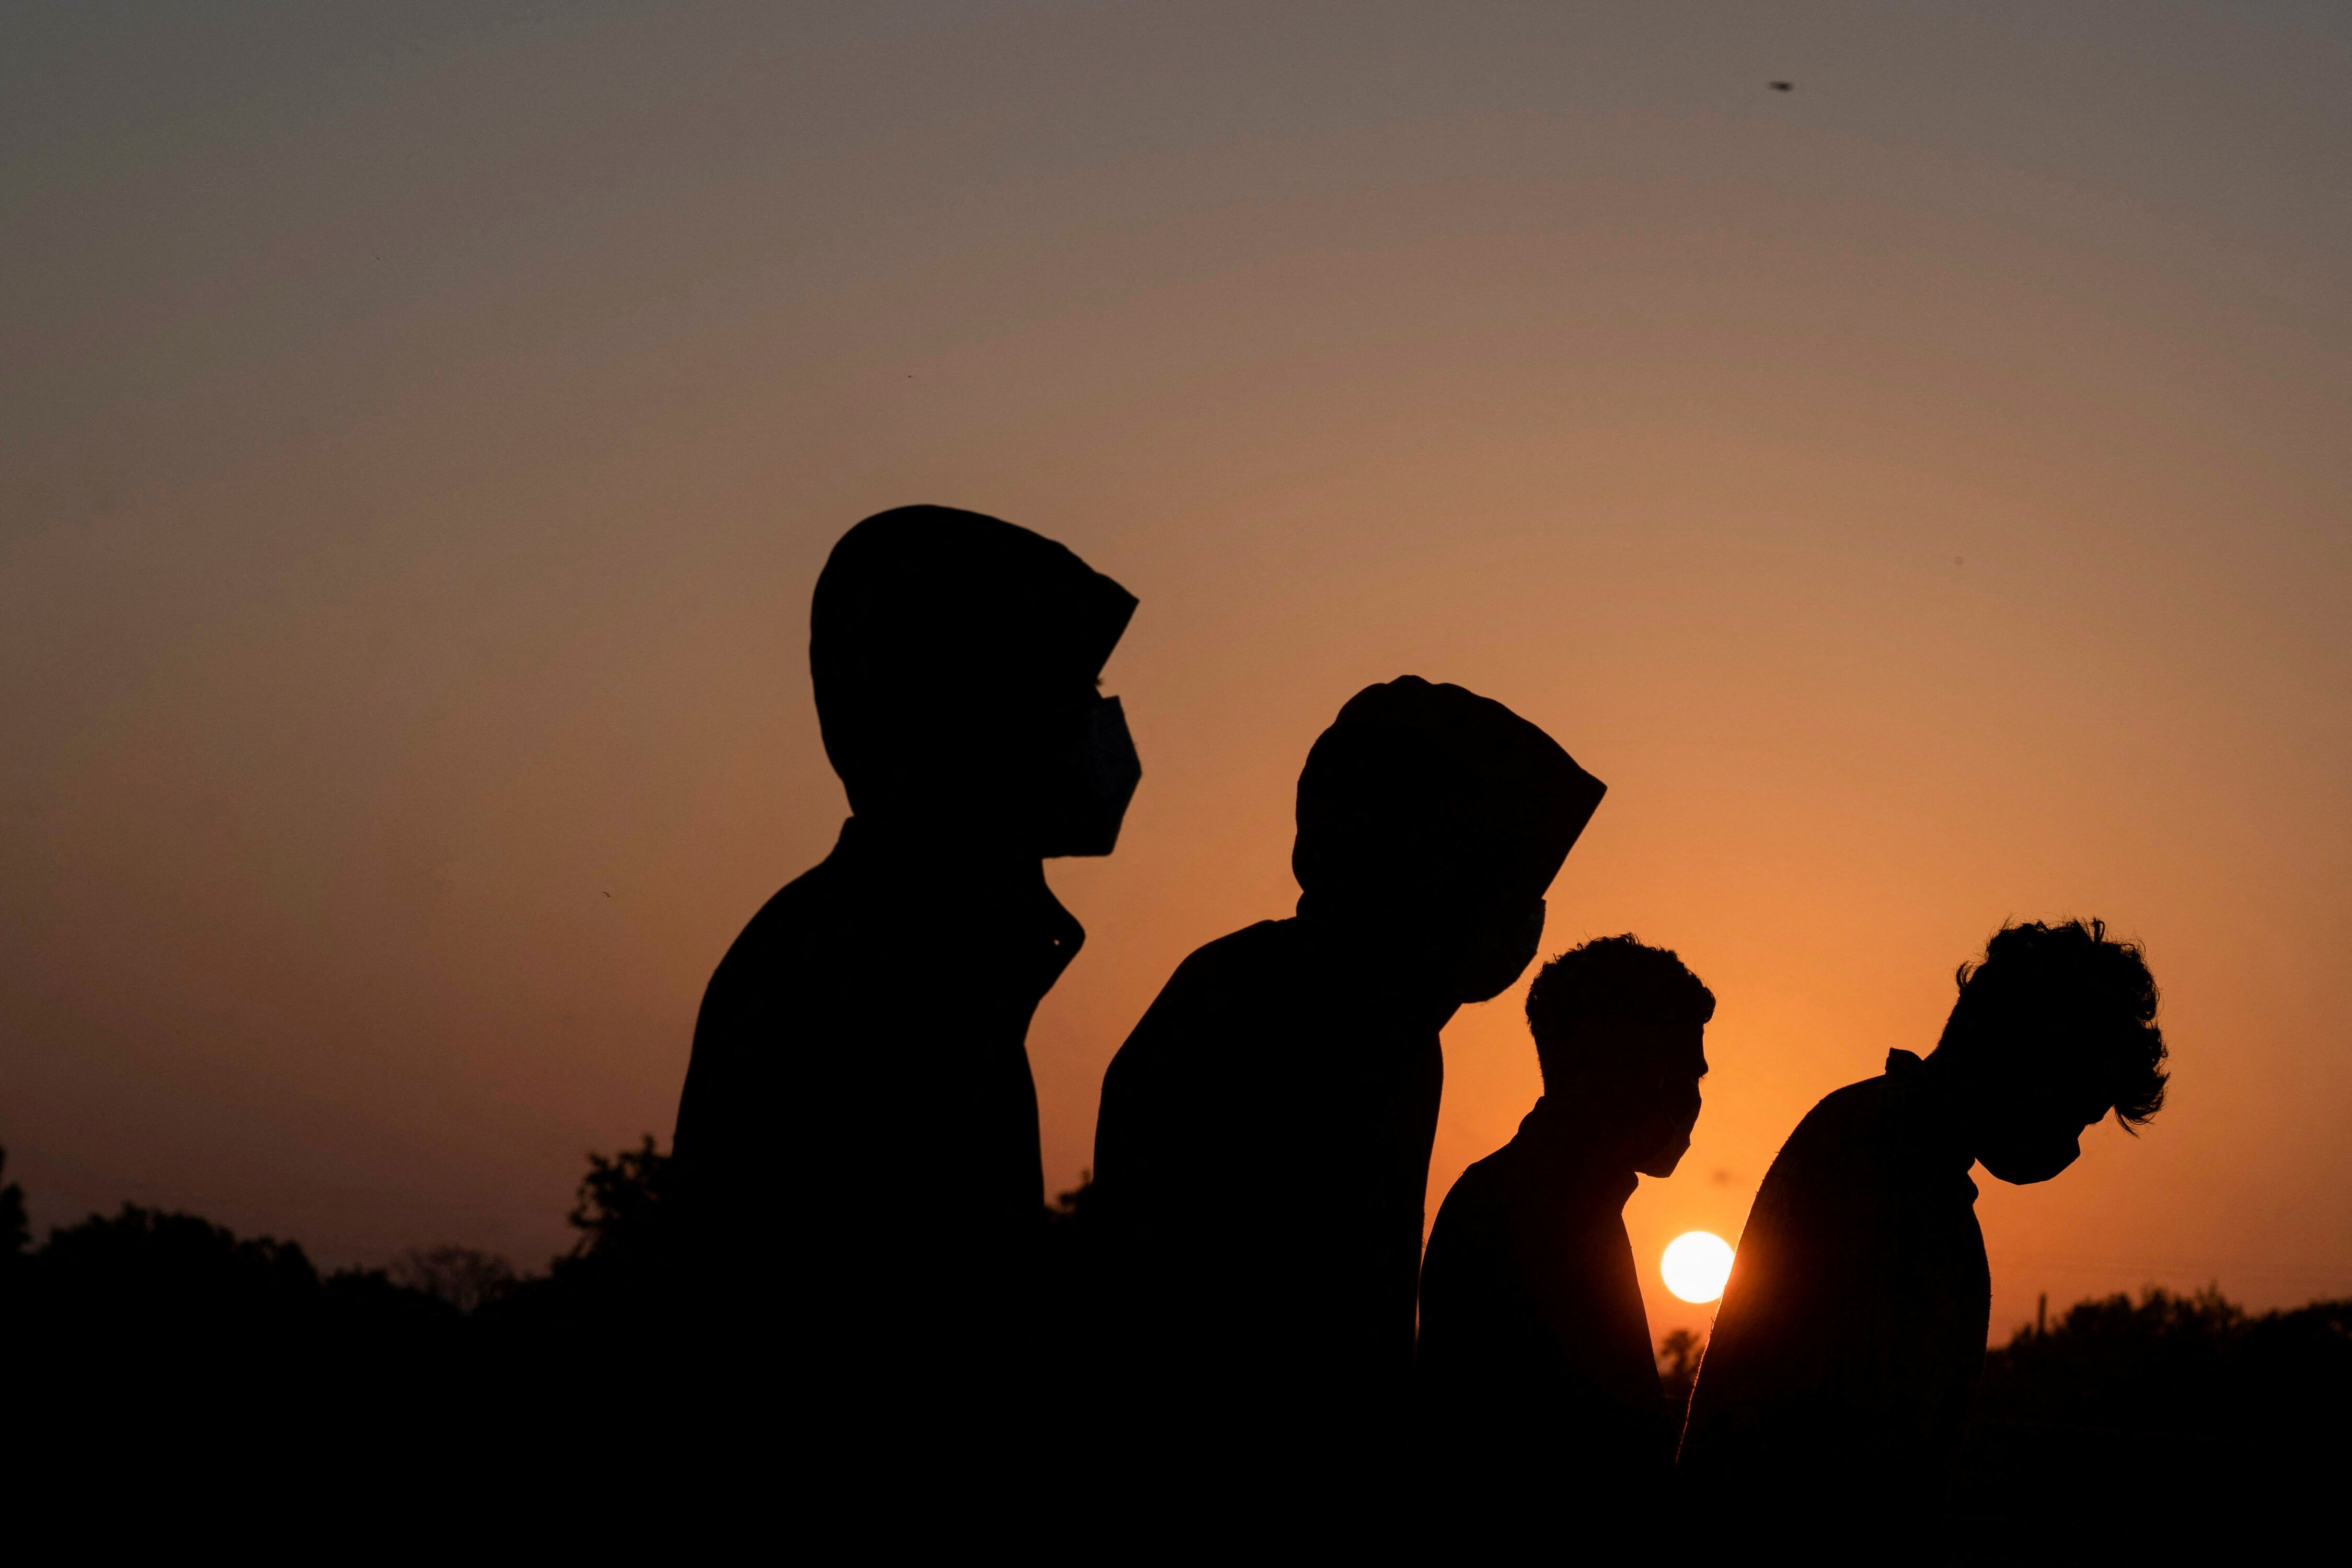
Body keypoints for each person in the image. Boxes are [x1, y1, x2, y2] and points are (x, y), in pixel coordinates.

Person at [670, 505, 1140, 1456]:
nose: (1103, 725)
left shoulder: (932, 944)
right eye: (1075, 688)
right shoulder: (871, 971)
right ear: (978, 711)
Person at [1089, 676, 1605, 1527]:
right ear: (1422, 862)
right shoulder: (1284, 1012)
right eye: (1506, 873)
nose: (1527, 916)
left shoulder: (1386, 1027)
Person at [1677, 919, 2169, 1550]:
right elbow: (1855, 1465)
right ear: (2023, 1057)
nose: (2070, 1149)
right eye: (2077, 1112)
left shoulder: (1879, 1140)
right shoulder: (1891, 1172)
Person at [1416, 935, 1715, 1546]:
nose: (1693, 1099)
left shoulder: (1550, 1195)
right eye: (1681, 1074)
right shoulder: (1543, 1211)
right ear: (1623, 1066)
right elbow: (1600, 1454)